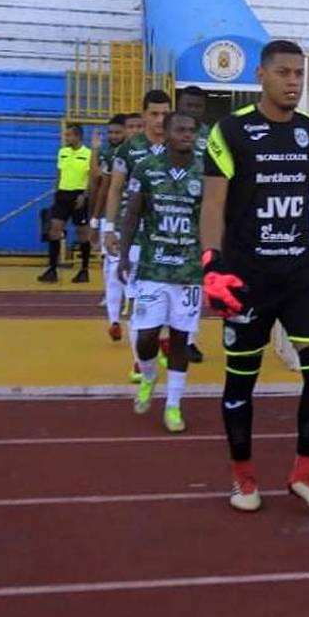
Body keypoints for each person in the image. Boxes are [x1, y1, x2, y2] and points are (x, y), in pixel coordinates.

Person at [200, 40, 309, 516]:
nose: (294, 82)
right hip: (246, 276)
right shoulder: (230, 131)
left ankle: (305, 473)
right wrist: (211, 266)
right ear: (263, 76)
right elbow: (213, 203)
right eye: (285, 73)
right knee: (240, 381)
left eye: (300, 74)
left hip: (300, 275)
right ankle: (243, 479)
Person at [118, 112, 202, 433]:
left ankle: (174, 405)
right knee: (146, 336)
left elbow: (211, 217)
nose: (187, 134)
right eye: (180, 129)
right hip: (153, 265)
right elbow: (133, 214)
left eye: (191, 130)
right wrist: (125, 254)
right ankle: (150, 375)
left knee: (181, 338)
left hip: (190, 270)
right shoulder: (146, 169)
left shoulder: (203, 170)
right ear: (166, 133)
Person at [104, 91, 172, 383]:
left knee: (170, 301)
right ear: (143, 115)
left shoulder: (182, 146)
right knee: (140, 300)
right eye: (154, 114)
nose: (159, 120)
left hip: (171, 239)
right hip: (135, 237)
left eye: (164, 114)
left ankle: (162, 343)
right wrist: (109, 229)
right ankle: (137, 362)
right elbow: (115, 190)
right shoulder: (128, 150)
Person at [39, 123, 94, 284]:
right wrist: (56, 192)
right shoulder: (62, 152)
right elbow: (59, 173)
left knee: (82, 233)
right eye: (66, 135)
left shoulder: (88, 154)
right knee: (54, 230)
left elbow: (91, 177)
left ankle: (84, 270)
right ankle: (52, 269)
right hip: (62, 194)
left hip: (79, 195)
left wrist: (85, 195)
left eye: (69, 135)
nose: (67, 138)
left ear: (78, 136)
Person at [91, 114, 130, 340]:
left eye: (118, 132)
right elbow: (101, 183)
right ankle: (114, 317)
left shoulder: (148, 152)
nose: (115, 136)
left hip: (140, 222)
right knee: (112, 264)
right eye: (112, 133)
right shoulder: (112, 154)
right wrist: (96, 219)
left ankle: (127, 306)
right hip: (114, 218)